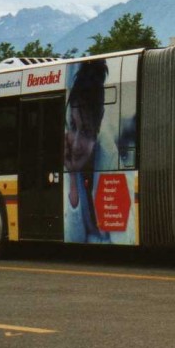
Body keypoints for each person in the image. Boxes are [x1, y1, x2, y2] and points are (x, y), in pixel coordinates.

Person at [63, 60, 118, 243]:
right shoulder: (66, 155)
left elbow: (116, 236)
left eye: (86, 131)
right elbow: (73, 238)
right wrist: (72, 177)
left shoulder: (111, 159)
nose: (76, 145)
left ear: (99, 122)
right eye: (73, 125)